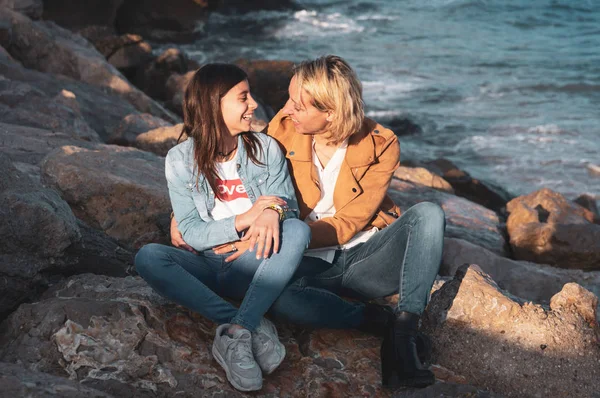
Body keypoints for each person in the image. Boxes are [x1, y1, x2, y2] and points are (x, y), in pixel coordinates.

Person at [173, 56, 445, 389]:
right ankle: (378, 321)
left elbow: (350, 221)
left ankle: (404, 332)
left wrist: (282, 235)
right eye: (288, 99)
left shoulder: (381, 143)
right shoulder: (283, 129)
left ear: (329, 113)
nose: (286, 109)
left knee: (429, 213)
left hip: (364, 259)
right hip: (304, 265)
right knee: (284, 302)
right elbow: (239, 174)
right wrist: (182, 215)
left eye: (298, 105)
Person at [135, 63, 311, 392]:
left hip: (253, 261)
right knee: (149, 257)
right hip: (203, 262)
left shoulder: (265, 148)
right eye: (243, 97)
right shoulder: (179, 159)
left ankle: (235, 332)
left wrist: (273, 211)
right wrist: (245, 220)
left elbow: (289, 208)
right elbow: (191, 232)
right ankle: (247, 322)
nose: (254, 105)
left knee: (299, 231)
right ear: (216, 103)